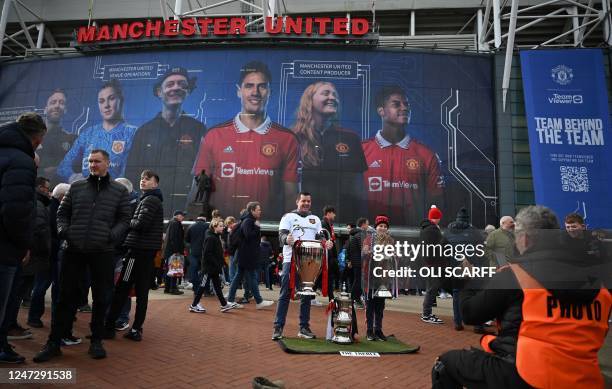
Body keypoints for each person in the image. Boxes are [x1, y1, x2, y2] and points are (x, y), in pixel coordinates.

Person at [432, 205, 611, 389]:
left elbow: (470, 314)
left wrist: (467, 281)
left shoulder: (515, 276)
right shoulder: (600, 287)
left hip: (528, 376)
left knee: (444, 364)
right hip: (585, 379)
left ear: (524, 238)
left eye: (515, 235)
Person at [33, 149, 131, 362]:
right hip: (73, 250)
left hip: (102, 251)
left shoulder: (118, 191)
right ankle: (54, 342)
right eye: (90, 161)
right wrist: (64, 232)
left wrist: (110, 236)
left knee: (101, 297)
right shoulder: (76, 187)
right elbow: (61, 213)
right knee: (64, 298)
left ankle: (96, 341)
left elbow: (125, 218)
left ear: (107, 163)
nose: (92, 165)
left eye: (97, 161)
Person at [192, 61, 300, 220]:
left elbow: (291, 198)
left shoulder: (287, 139)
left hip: (265, 232)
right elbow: (197, 191)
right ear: (238, 91)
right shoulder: (214, 135)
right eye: (249, 86)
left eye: (262, 86)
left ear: (269, 92)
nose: (255, 92)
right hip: (221, 230)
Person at [126, 67, 206, 215]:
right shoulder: (144, 131)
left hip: (184, 210)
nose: (176, 88)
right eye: (170, 84)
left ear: (187, 91)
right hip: (149, 207)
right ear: (159, 92)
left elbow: (203, 171)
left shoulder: (199, 129)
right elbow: (131, 172)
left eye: (181, 84)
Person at [0, 113, 46, 364]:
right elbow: (15, 210)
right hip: (5, 246)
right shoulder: (22, 161)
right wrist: (22, 243)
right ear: (36, 137)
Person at [362, 85, 444, 226]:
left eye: (407, 104)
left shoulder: (426, 154)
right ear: (381, 111)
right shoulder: (362, 150)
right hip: (371, 237)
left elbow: (437, 201)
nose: (405, 108)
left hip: (412, 240)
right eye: (396, 104)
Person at [291, 81, 367, 221]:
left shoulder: (351, 138)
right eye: (326, 93)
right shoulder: (293, 137)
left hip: (341, 219)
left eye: (335, 95)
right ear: (310, 100)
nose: (332, 97)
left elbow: (359, 189)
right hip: (302, 219)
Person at [103, 170, 163, 342]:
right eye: (142, 178)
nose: (143, 181)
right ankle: (136, 328)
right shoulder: (151, 199)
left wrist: (126, 220)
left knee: (122, 288)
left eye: (147, 179)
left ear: (155, 183)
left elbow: (141, 224)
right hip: (144, 252)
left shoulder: (150, 200)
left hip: (137, 251)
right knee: (141, 291)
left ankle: (110, 327)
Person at [272, 192, 333, 340]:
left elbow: (321, 237)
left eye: (308, 201)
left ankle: (304, 328)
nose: (306, 203)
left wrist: (326, 242)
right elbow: (281, 235)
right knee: (285, 293)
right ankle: (278, 327)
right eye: (303, 201)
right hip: (290, 260)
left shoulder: (316, 219)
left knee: (306, 295)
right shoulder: (288, 217)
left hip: (310, 262)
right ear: (297, 201)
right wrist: (287, 239)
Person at [57, 79, 137, 183]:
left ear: (120, 100)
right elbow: (63, 166)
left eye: (111, 99)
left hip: (114, 195)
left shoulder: (132, 133)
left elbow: (128, 173)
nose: (106, 105)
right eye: (101, 101)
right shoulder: (88, 134)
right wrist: (74, 178)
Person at [444, 207, 487, 333]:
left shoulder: (448, 231)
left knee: (457, 294)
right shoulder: (473, 231)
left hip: (455, 266)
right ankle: (478, 325)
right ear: (467, 219)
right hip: (471, 266)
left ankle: (458, 323)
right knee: (475, 294)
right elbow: (481, 249)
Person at [226, 202, 274, 309]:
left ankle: (230, 300)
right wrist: (257, 228)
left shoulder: (247, 220)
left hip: (245, 255)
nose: (260, 211)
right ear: (252, 210)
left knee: (240, 276)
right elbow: (248, 235)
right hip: (247, 255)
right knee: (251, 276)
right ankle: (259, 301)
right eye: (258, 209)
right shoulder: (248, 221)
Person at [189, 218, 240, 313]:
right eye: (220, 226)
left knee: (217, 286)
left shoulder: (215, 236)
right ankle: (194, 305)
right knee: (202, 286)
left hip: (214, 267)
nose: (223, 227)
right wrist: (218, 264)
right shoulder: (211, 238)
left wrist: (222, 263)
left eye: (222, 226)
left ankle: (224, 304)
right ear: (214, 227)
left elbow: (217, 253)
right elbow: (207, 254)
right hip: (208, 268)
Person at [361, 215, 397, 341]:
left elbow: (394, 256)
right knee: (370, 305)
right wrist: (369, 252)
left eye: (385, 226)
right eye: (380, 226)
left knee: (380, 306)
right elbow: (364, 253)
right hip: (370, 277)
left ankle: (379, 330)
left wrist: (393, 255)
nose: (382, 228)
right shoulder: (369, 239)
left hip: (383, 278)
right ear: (376, 227)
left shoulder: (391, 240)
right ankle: (369, 331)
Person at [26, 177, 52, 329]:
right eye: (47, 188)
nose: (48, 191)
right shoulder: (40, 205)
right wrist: (46, 249)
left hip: (33, 252)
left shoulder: (38, 203)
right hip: (38, 254)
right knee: (37, 286)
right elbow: (41, 230)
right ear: (41, 188)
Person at [37, 89, 77, 183]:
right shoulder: (32, 137)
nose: (57, 106)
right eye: (53, 102)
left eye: (61, 103)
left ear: (65, 110)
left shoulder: (72, 139)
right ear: (45, 109)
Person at [421, 205, 446, 324]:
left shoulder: (427, 229)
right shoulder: (432, 230)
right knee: (432, 288)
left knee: (431, 288)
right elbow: (434, 249)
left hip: (430, 264)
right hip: (433, 264)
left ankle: (427, 313)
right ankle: (426, 314)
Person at [347, 217, 369, 309]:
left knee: (357, 281)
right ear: (363, 224)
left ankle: (354, 299)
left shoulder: (354, 234)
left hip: (356, 262)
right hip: (360, 262)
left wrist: (350, 260)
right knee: (358, 281)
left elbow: (349, 249)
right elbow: (364, 250)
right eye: (367, 224)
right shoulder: (361, 234)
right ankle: (355, 300)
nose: (368, 226)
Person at [163, 210, 186, 295]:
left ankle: (168, 288)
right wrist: (177, 251)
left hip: (169, 251)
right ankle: (173, 288)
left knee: (169, 269)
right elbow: (174, 238)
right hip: (174, 252)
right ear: (177, 215)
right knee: (175, 269)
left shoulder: (171, 222)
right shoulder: (176, 223)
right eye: (182, 215)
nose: (183, 217)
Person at [185, 213, 209, 286]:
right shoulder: (208, 226)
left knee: (194, 269)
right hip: (205, 252)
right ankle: (205, 289)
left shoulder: (191, 226)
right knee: (205, 270)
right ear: (205, 218)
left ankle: (195, 287)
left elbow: (187, 240)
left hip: (194, 251)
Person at [321, 205, 339, 300]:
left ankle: (330, 297)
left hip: (330, 255)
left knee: (328, 276)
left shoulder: (329, 225)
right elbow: (324, 240)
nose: (335, 215)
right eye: (333, 213)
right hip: (326, 255)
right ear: (328, 213)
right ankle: (331, 298)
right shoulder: (323, 224)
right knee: (327, 275)